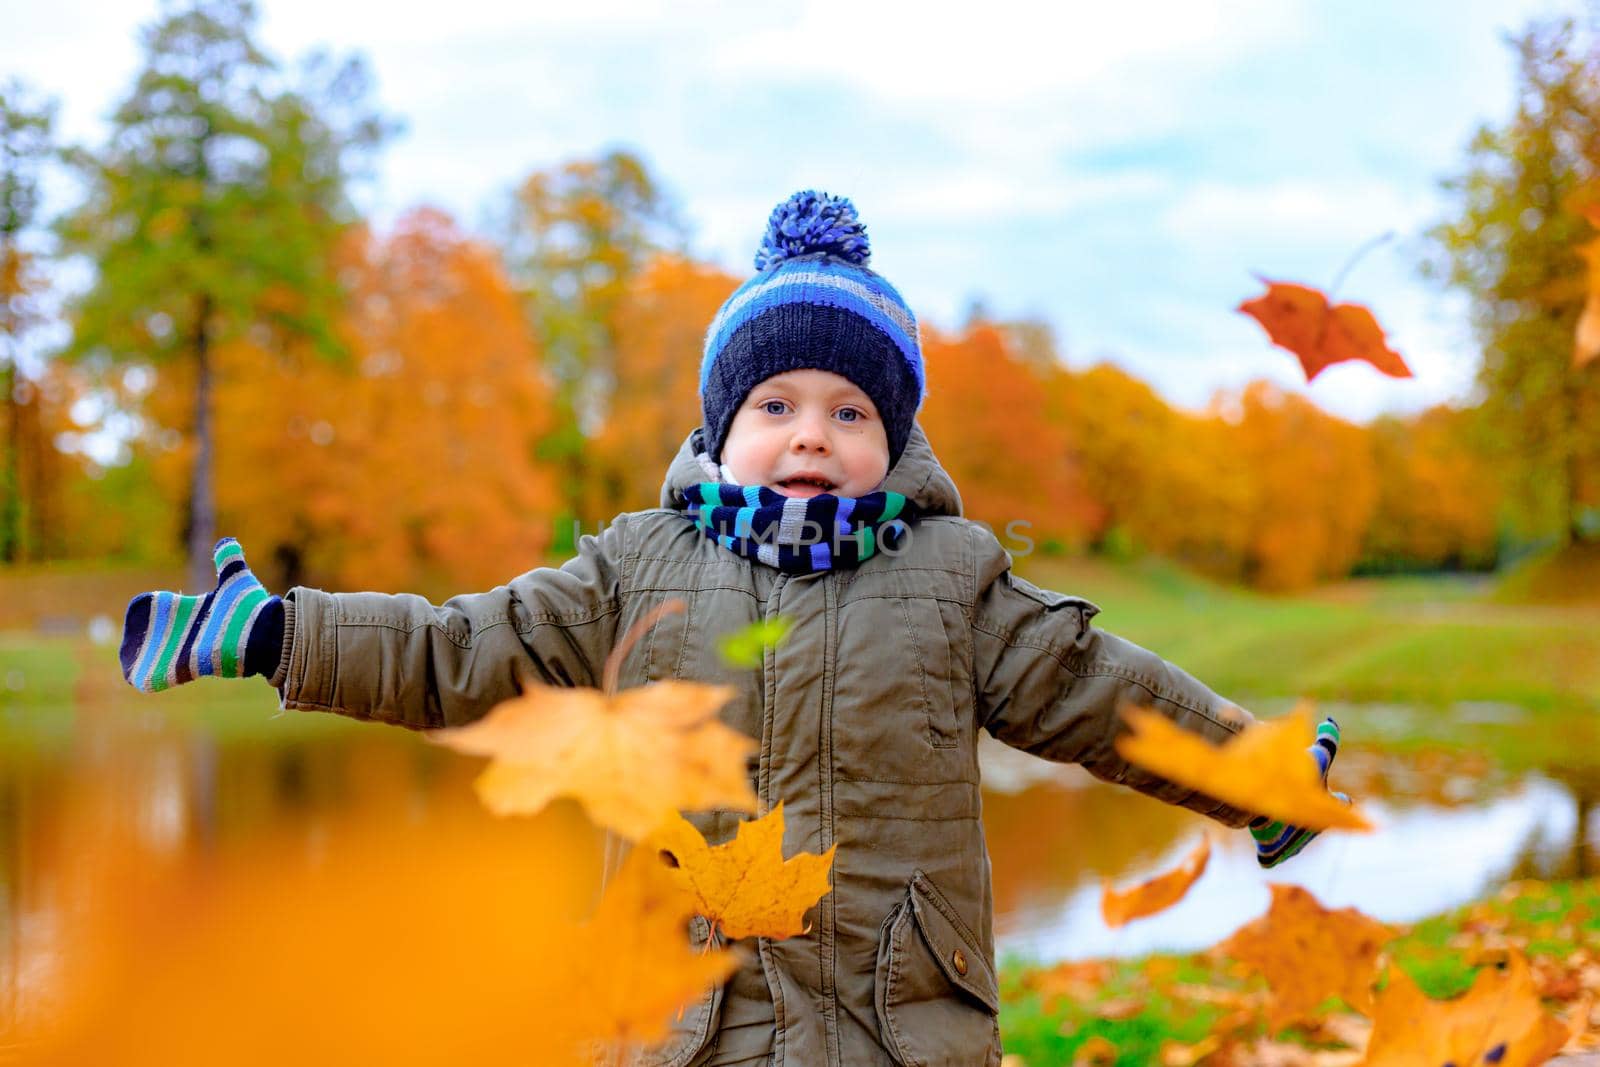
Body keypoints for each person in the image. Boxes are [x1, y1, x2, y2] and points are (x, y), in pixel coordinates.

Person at [119, 191, 1342, 1067]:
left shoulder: (950, 578)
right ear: (718, 427)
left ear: (895, 439)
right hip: (679, 1028)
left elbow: (1099, 693)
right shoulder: (631, 571)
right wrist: (283, 634)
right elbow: (460, 651)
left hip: (897, 1027)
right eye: (776, 402)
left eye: (851, 408)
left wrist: (1260, 770)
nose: (812, 432)